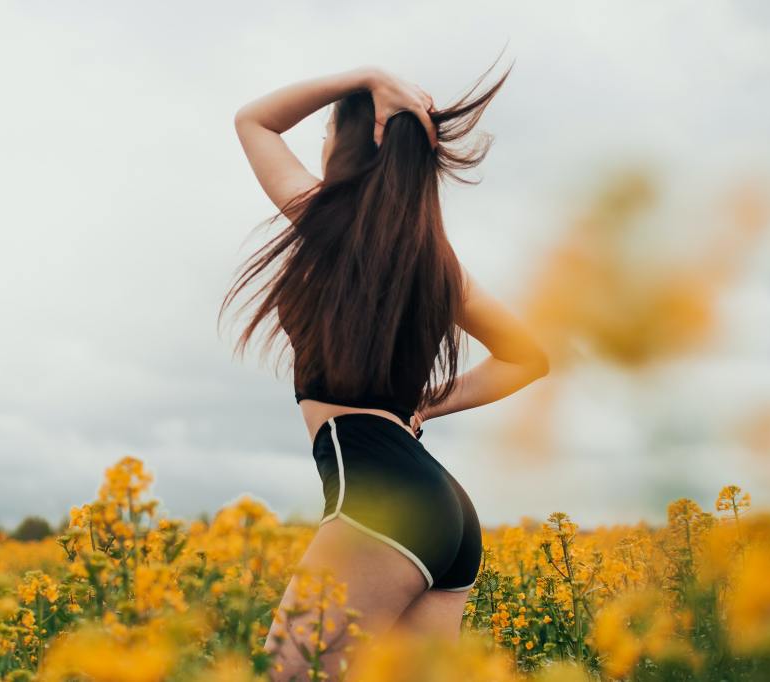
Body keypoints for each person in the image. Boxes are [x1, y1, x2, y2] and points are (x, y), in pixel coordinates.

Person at [221, 58, 550, 679]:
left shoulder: (324, 223)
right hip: (445, 507)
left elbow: (254, 121)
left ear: (354, 143)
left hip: (379, 490)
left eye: (325, 134)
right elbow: (529, 358)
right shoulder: (437, 264)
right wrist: (428, 405)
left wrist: (364, 78)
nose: (320, 146)